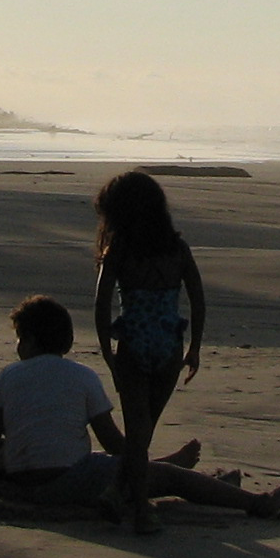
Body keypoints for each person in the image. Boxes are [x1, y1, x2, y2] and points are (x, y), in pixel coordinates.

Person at [0, 294, 280, 528]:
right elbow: (112, 442)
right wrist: (138, 463)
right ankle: (258, 502)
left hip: (22, 481)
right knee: (168, 479)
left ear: (31, 341)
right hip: (70, 481)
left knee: (135, 471)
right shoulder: (83, 376)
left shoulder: (8, 375)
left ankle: (203, 480)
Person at [91, 170, 209, 533]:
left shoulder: (120, 249)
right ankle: (125, 497)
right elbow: (198, 298)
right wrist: (195, 347)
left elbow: (102, 302)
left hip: (134, 342)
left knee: (137, 432)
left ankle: (136, 505)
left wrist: (106, 347)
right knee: (145, 430)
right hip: (169, 343)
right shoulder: (177, 248)